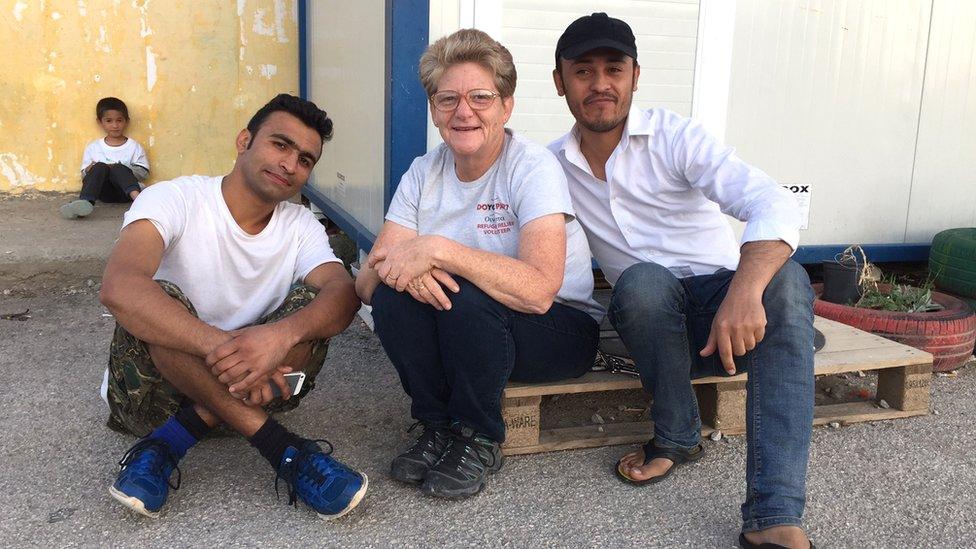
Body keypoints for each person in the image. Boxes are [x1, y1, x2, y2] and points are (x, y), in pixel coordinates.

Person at [548, 13, 816, 549]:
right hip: (652, 324)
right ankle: (676, 435)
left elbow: (773, 200)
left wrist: (743, 290)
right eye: (583, 71)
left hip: (729, 310)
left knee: (786, 280)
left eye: (613, 68)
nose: (600, 83)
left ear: (635, 76)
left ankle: (773, 515)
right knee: (644, 282)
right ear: (560, 82)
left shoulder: (676, 136)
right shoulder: (550, 165)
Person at [356, 29, 603, 499]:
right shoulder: (424, 171)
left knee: (465, 297)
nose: (463, 111)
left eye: (481, 97)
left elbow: (538, 290)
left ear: (506, 106)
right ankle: (435, 425)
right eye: (447, 99)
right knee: (395, 297)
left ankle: (479, 436)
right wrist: (412, 268)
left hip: (558, 331)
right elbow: (368, 281)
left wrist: (439, 251)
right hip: (472, 331)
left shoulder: (531, 167)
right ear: (433, 110)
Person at [99, 94, 367, 519]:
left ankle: (171, 442)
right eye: (280, 145)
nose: (290, 164)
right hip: (152, 398)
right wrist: (225, 348)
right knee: (154, 301)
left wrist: (278, 337)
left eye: (304, 159)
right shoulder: (175, 199)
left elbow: (343, 294)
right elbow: (119, 286)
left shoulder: (299, 226)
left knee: (314, 306)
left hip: (263, 386)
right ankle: (284, 451)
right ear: (244, 141)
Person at [61, 97, 150, 219]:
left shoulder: (134, 147)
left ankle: (139, 201)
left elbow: (143, 172)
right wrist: (90, 169)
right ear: (100, 122)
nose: (115, 125)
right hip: (104, 193)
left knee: (118, 168)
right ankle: (85, 203)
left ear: (126, 121)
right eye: (109, 121)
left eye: (119, 120)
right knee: (100, 166)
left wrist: (118, 170)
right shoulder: (94, 147)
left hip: (127, 193)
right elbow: (85, 176)